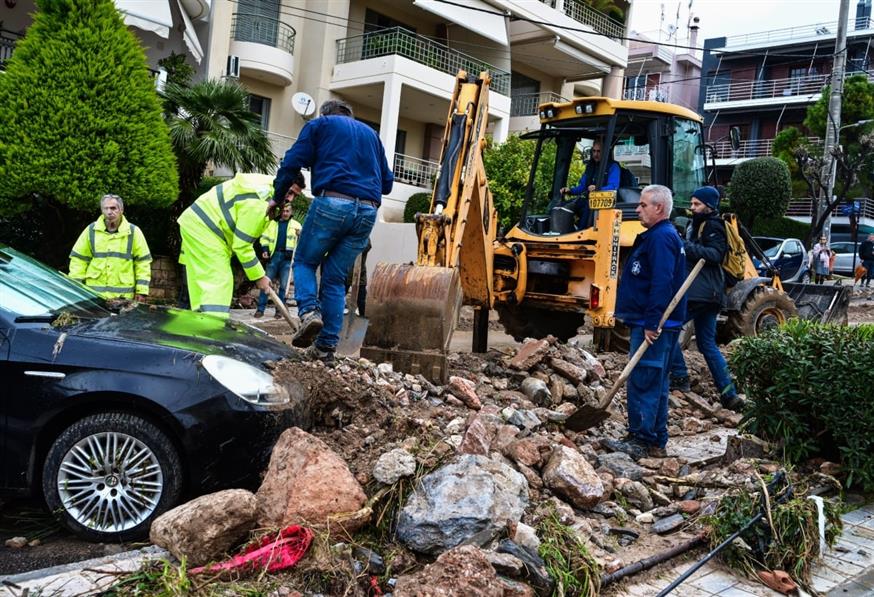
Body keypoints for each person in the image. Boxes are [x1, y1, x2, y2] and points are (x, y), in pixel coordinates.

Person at [273, 99, 393, 363]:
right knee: (335, 278)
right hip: (368, 211)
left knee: (305, 261)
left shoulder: (320, 125)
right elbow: (387, 184)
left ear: (325, 113)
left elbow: (291, 163)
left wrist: (276, 196)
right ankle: (326, 347)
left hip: (333, 201)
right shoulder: (372, 135)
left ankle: (309, 313)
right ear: (350, 116)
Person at [604, 184, 687, 460]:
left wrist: (652, 321)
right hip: (656, 321)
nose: (637, 209)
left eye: (643, 205)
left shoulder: (662, 238)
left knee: (644, 379)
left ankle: (641, 439)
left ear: (659, 208)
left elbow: (662, 282)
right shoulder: (659, 236)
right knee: (657, 382)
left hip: (654, 324)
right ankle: (655, 440)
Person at [177, 172, 302, 318]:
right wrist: (259, 277)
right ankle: (212, 332)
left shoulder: (265, 188)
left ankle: (192, 327)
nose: (290, 199)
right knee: (219, 282)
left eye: (295, 195)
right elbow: (242, 245)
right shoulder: (260, 204)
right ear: (281, 184)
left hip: (199, 225)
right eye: (290, 192)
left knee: (197, 288)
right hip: (206, 229)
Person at [667, 187, 744, 412]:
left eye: (697, 204)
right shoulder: (699, 224)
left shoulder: (713, 225)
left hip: (702, 292)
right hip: (710, 294)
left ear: (709, 206)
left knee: (668, 329)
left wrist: (685, 246)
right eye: (692, 204)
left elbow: (715, 255)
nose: (692, 208)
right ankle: (728, 392)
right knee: (706, 343)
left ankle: (680, 377)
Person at [69, 193, 152, 301]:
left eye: (113, 208)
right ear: (102, 210)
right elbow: (78, 260)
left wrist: (142, 291)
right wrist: (75, 287)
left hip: (123, 299)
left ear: (121, 210)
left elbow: (142, 263)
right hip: (94, 296)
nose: (109, 212)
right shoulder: (91, 231)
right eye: (105, 208)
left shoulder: (134, 232)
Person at [558, 139, 621, 230]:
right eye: (594, 151)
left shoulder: (613, 167)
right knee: (563, 206)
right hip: (588, 200)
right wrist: (570, 190)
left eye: (599, 151)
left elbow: (614, 186)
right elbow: (583, 187)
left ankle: (581, 231)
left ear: (605, 152)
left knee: (589, 206)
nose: (595, 154)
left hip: (604, 203)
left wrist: (598, 188)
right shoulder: (590, 167)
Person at [254, 202, 302, 318]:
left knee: (283, 286)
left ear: (291, 212)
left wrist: (300, 235)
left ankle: (279, 311)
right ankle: (260, 309)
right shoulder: (272, 224)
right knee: (266, 284)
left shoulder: (297, 225)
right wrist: (265, 250)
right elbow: (264, 238)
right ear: (280, 211)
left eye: (287, 211)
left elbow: (302, 242)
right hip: (274, 256)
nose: (285, 213)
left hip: (288, 259)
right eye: (283, 211)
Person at [345, 239, 371, 316]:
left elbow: (368, 246)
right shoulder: (348, 234)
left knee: (361, 299)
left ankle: (362, 315)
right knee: (340, 294)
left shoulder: (364, 235)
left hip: (360, 273)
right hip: (346, 272)